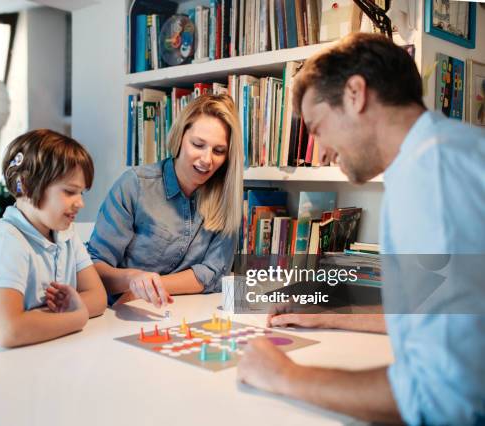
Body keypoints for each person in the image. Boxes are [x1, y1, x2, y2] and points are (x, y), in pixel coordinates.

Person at [237, 32, 485, 424]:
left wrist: (285, 375)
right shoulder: (454, 150)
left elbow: (442, 396)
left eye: (316, 127)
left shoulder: (429, 180)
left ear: (355, 94)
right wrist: (326, 317)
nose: (319, 151)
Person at [88, 94, 243, 307]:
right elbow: (94, 268)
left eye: (219, 151)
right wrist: (132, 280)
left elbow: (213, 273)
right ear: (180, 137)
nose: (207, 160)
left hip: (186, 314)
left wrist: (150, 287)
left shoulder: (227, 199)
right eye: (198, 145)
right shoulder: (135, 185)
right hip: (120, 315)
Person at [0, 129, 107, 348]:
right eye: (70, 192)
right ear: (28, 184)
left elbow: (98, 298)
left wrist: (36, 320)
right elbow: (8, 331)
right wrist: (76, 316)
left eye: (82, 193)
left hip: (43, 351)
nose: (80, 203)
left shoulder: (67, 233)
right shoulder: (7, 241)